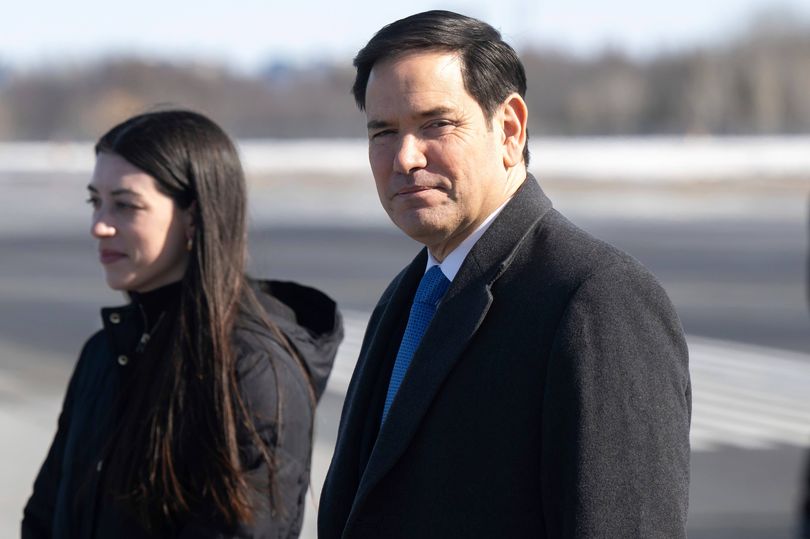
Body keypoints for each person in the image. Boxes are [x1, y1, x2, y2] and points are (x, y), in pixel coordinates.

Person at [319, 10, 691, 538]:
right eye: (383, 131)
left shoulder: (595, 298)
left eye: (436, 124)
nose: (404, 157)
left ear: (510, 129)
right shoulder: (409, 296)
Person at [22, 110, 343, 538]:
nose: (99, 225)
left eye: (125, 205)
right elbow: (44, 516)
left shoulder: (252, 369)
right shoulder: (103, 351)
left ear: (193, 216)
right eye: (95, 201)